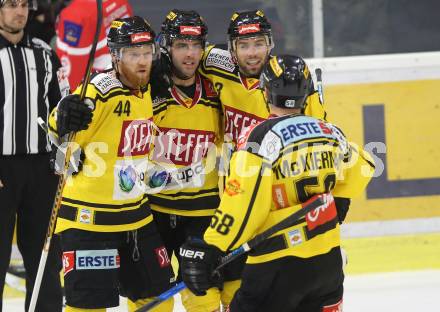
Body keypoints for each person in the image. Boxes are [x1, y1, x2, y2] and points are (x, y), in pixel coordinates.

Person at [180, 55, 376, 311]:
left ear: (265, 90)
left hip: (277, 264)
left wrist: (212, 245)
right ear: (307, 93)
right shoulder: (330, 131)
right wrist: (340, 196)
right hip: (327, 262)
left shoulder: (259, 139)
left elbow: (245, 205)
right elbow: (364, 165)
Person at [48, 16, 173, 311]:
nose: (142, 61)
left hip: (136, 217)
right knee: (88, 306)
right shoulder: (100, 90)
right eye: (133, 54)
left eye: (146, 53)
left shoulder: (148, 88)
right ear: (115, 57)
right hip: (89, 220)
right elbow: (59, 137)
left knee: (158, 299)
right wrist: (62, 114)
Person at [145, 9, 240, 312]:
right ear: (166, 47)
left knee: (204, 293)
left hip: (203, 210)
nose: (190, 54)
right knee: (151, 297)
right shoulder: (146, 87)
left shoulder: (217, 86)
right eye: (181, 46)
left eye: (196, 45)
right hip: (153, 209)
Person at [0, 0, 67, 310]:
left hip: (41, 169)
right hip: (2, 168)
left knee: (45, 261)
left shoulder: (44, 52)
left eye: (24, 4)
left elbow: (59, 106)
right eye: (11, 4)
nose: (20, 11)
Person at [199, 10, 327, 149]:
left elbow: (319, 137)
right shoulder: (213, 61)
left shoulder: (289, 79)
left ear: (269, 44)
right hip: (228, 166)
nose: (252, 53)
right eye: (243, 46)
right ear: (232, 49)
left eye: (258, 44)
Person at [55, 0, 133, 90]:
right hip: (126, 80)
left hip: (99, 92)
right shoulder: (120, 2)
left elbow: (71, 76)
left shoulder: (76, 15)